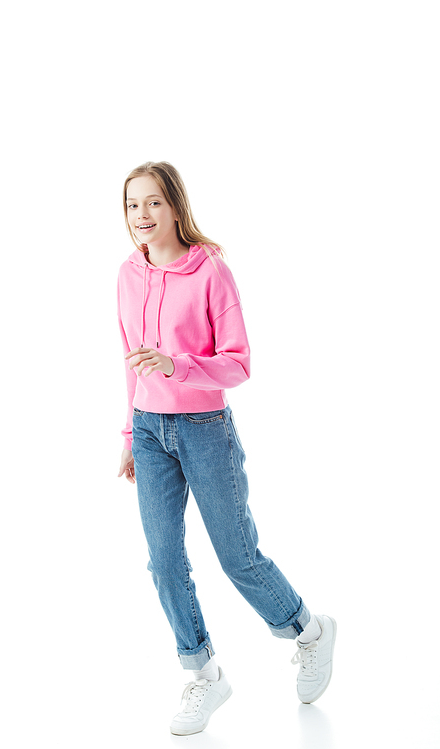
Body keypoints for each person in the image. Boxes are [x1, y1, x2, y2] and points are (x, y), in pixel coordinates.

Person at [117, 161, 336, 736]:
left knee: (238, 557)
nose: (143, 215)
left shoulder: (210, 271)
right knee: (163, 562)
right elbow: (126, 362)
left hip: (204, 428)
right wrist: (127, 434)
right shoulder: (126, 275)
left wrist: (176, 365)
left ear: (175, 207)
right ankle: (204, 672)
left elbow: (239, 365)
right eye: (133, 204)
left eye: (154, 203)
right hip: (148, 430)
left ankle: (308, 631)